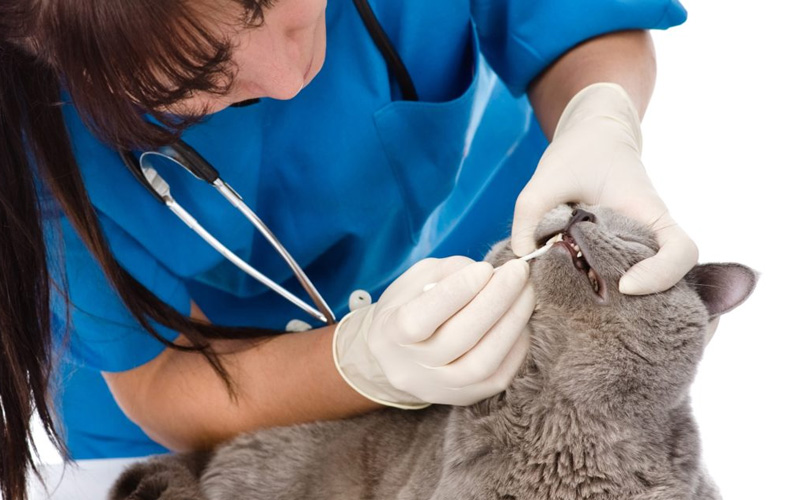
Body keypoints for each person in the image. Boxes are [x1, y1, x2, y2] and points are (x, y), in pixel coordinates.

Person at [0, 0, 697, 499]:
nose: (287, 76)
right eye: (194, 78)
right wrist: (359, 364)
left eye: (269, 0)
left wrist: (596, 114)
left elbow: (582, 17)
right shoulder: (35, 139)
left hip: (491, 346)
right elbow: (156, 382)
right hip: (205, 421)